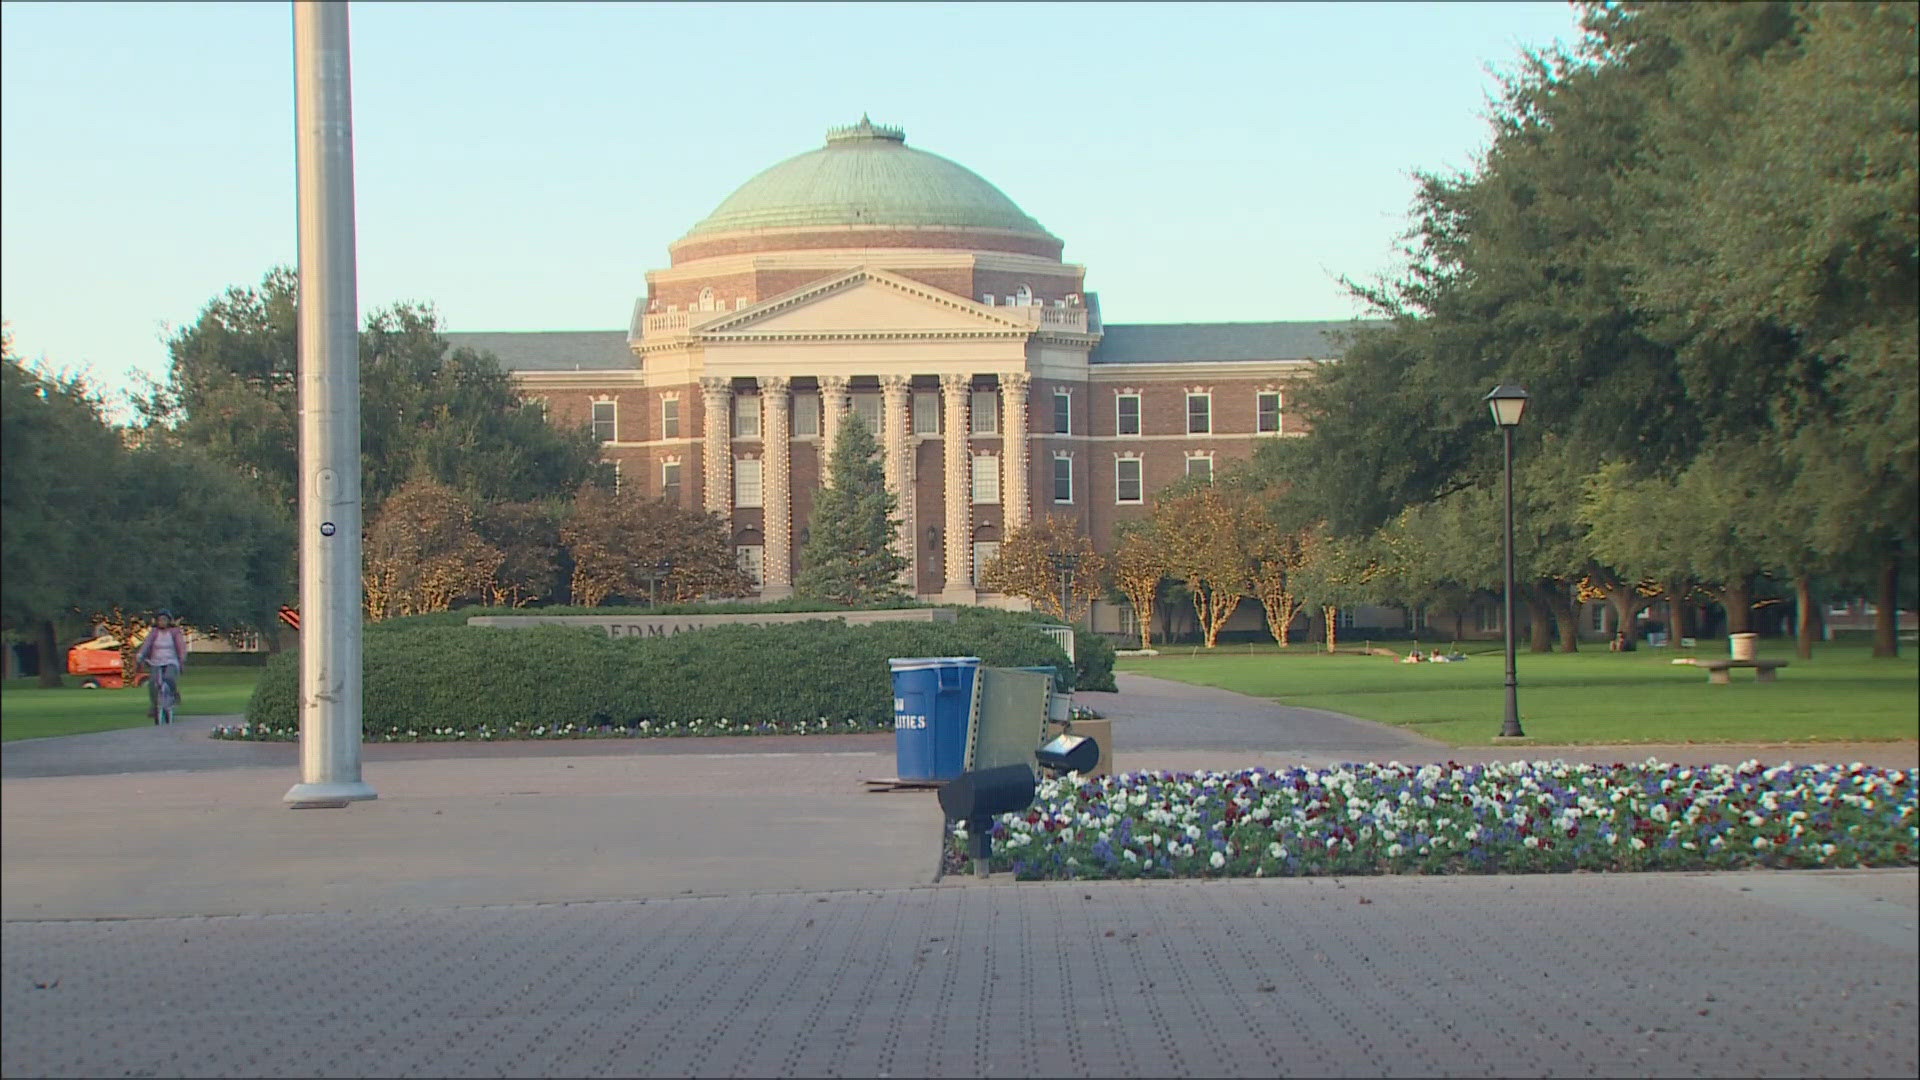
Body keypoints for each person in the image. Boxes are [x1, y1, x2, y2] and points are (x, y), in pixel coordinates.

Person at [134, 611, 187, 724]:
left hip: (171, 661)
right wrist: (140, 655)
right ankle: (154, 705)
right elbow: (146, 645)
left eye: (164, 620)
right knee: (153, 683)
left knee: (169, 678)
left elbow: (181, 647)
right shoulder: (154, 633)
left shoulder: (175, 632)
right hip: (156, 662)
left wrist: (182, 658)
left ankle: (173, 694)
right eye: (159, 620)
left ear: (169, 621)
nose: (161, 622)